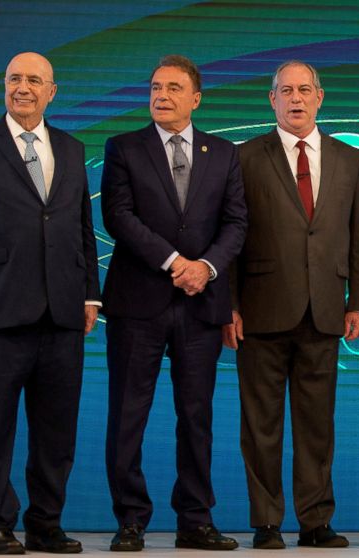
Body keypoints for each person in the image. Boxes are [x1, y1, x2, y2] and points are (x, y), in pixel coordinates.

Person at [0, 51, 99, 555]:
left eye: (33, 80)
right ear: (4, 86)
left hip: (63, 313)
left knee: (57, 431)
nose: (22, 87)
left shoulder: (71, 148)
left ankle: (46, 524)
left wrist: (90, 294)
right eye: (13, 79)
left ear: (52, 91)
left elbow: (82, 227)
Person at [100, 54, 246, 552]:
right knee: (127, 414)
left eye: (173, 88)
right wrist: (173, 262)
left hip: (201, 304)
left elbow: (236, 224)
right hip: (137, 303)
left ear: (196, 98)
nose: (161, 95)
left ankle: (195, 520)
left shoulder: (223, 153)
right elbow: (118, 216)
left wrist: (205, 268)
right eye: (156, 87)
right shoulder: (123, 147)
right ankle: (130, 520)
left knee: (196, 416)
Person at [222, 60, 359, 550]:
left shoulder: (350, 159)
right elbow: (231, 237)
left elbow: (358, 236)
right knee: (260, 425)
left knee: (317, 426)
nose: (296, 98)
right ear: (272, 100)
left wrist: (358, 301)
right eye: (286, 91)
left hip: (325, 310)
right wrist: (229, 305)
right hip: (260, 311)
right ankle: (266, 522)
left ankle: (315, 522)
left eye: (304, 89)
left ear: (320, 97)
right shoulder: (243, 157)